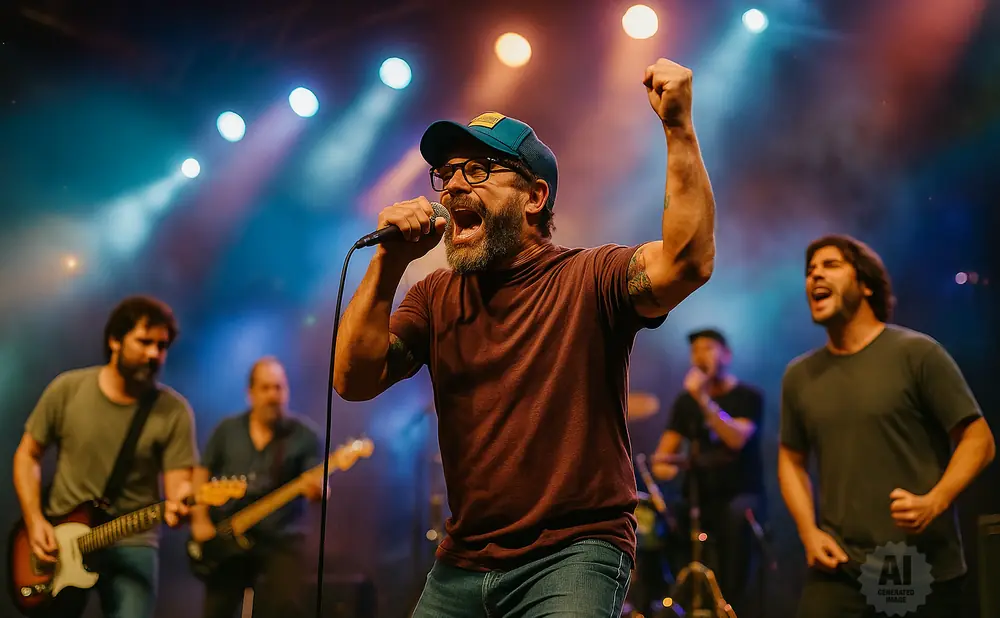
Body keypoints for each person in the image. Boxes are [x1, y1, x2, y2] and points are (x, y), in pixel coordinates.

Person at [333, 56, 716, 616]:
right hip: (462, 561)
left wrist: (678, 126)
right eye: (448, 172)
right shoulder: (435, 295)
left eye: (480, 169)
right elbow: (352, 379)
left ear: (535, 198)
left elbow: (687, 263)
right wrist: (390, 260)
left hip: (572, 554)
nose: (454, 185)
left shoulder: (590, 277)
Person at [778, 234, 996, 617]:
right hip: (838, 566)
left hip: (911, 563)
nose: (814, 276)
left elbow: (979, 439)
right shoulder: (799, 375)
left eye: (830, 265)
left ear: (865, 284)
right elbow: (790, 459)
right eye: (810, 271)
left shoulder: (917, 353)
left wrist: (936, 500)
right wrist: (808, 532)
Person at [12, 295, 198, 618]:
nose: (154, 354)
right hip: (60, 540)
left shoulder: (174, 411)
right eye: (144, 342)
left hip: (133, 541)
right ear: (114, 340)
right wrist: (34, 520)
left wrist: (182, 506)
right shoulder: (67, 389)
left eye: (162, 346)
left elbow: (178, 487)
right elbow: (27, 455)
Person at [191, 356, 324, 618]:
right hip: (226, 539)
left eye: (279, 387)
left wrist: (319, 491)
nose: (274, 395)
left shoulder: (304, 435)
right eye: (266, 388)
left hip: (280, 540)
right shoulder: (227, 430)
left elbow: (317, 482)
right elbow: (201, 474)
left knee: (284, 607)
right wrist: (199, 521)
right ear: (250, 393)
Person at [650, 328, 764, 612]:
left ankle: (731, 604)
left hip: (739, 494)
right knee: (665, 519)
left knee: (736, 518)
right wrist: (665, 468)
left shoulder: (747, 396)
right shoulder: (684, 402)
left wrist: (703, 400)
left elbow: (736, 438)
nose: (701, 355)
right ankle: (673, 599)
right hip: (699, 498)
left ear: (727, 354)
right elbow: (663, 459)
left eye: (709, 348)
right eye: (696, 350)